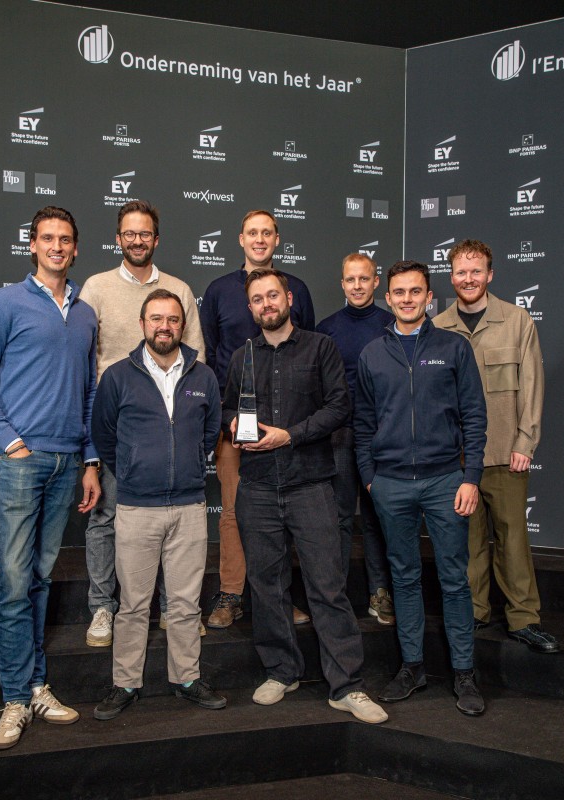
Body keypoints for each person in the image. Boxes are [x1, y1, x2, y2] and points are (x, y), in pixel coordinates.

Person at [0, 206, 101, 749]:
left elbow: (88, 394)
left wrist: (90, 459)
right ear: (33, 245)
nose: (57, 247)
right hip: (20, 463)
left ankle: (37, 686)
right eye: (47, 238)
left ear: (76, 247)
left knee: (39, 578)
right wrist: (12, 443)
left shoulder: (85, 314)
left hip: (67, 464)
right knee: (15, 584)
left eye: (65, 239)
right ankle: (15, 699)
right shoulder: (3, 303)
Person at [222, 268, 387, 724]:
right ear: (251, 308)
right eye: (258, 299)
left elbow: (339, 407)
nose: (266, 304)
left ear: (289, 298)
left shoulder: (320, 347)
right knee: (266, 586)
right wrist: (231, 421)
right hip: (257, 487)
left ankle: (346, 685)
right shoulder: (241, 357)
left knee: (327, 587)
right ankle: (282, 671)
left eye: (273, 295)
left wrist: (289, 435)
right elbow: (228, 407)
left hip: (312, 485)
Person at [355, 260, 487, 716]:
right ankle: (412, 667)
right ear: (387, 298)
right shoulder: (372, 354)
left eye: (416, 291)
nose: (407, 299)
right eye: (399, 292)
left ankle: (465, 673)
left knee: (454, 580)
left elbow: (474, 416)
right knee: (405, 579)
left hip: (446, 480)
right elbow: (363, 422)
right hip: (391, 484)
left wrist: (470, 478)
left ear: (429, 298)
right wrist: (371, 478)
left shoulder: (454, 347)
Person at [92, 289, 226, 719]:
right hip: (136, 509)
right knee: (133, 605)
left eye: (172, 319)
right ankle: (125, 684)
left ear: (182, 325)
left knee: (185, 604)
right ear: (142, 324)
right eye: (156, 319)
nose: (164, 326)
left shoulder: (204, 376)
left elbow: (210, 434)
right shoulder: (118, 376)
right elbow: (105, 436)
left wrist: (188, 468)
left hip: (189, 508)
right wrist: (133, 472)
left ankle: (186, 678)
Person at [80, 200, 205, 647]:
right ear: (119, 239)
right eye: (129, 233)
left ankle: (173, 608)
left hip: (168, 430)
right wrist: (96, 450)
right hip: (114, 426)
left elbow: (198, 365)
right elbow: (85, 363)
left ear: (156, 239)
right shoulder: (96, 288)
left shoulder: (179, 290)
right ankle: (102, 607)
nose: (137, 240)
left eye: (145, 233)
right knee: (105, 518)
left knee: (172, 521)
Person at [434, 239, 559, 653]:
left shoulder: (517, 321)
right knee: (466, 542)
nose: (468, 279)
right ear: (451, 276)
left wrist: (526, 441)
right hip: (457, 459)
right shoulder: (438, 328)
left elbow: (532, 386)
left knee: (513, 540)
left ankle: (524, 618)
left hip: (507, 453)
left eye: (476, 271)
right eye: (461, 272)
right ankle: (473, 611)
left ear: (490, 274)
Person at [200, 210, 315, 629]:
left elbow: (307, 349)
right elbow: (209, 354)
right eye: (253, 232)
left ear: (277, 239)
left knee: (286, 511)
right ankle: (231, 595)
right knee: (233, 511)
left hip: (288, 425)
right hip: (235, 425)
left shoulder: (296, 288)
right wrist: (224, 417)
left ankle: (280, 599)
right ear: (241, 239)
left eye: (267, 232)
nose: (260, 239)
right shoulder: (218, 290)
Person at [316, 253, 395, 622]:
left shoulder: (393, 323)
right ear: (342, 284)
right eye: (351, 279)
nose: (358, 286)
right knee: (341, 517)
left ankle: (381, 592)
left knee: (379, 516)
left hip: (385, 436)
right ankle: (338, 595)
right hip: (341, 436)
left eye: (365, 279)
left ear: (376, 282)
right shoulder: (327, 329)